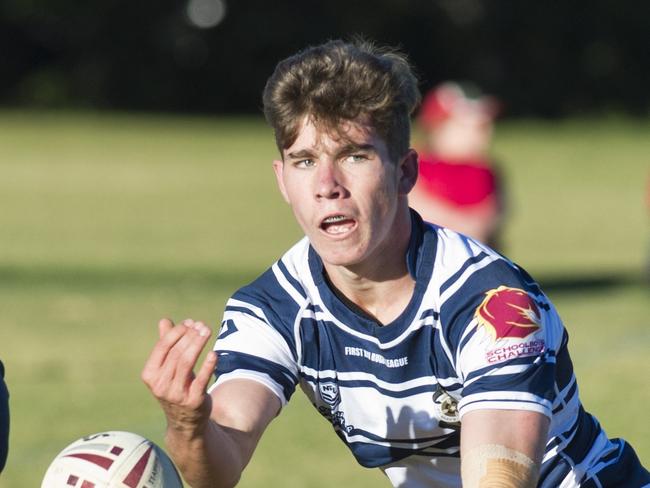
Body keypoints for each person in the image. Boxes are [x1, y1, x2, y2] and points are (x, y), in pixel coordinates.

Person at [142, 40, 649, 488]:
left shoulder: (490, 301)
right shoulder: (272, 307)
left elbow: (501, 471)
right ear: (281, 180)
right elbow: (221, 463)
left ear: (405, 172)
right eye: (304, 161)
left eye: (355, 156)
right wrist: (190, 425)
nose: (326, 185)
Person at [408, 82, 505, 250]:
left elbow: (495, 215)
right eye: (470, 127)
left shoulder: (485, 171)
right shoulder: (414, 168)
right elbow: (417, 212)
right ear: (438, 127)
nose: (485, 134)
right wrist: (464, 224)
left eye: (484, 126)